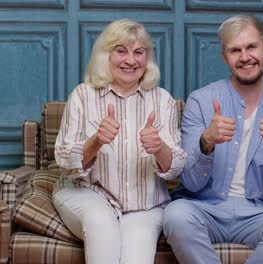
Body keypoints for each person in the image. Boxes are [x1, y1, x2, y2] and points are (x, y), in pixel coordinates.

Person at [163, 14, 263, 264]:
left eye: (251, 46)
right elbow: (190, 182)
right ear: (224, 57)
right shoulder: (201, 101)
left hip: (261, 213)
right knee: (176, 216)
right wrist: (205, 142)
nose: (245, 57)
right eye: (235, 50)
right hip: (204, 208)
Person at [52, 19, 186, 264]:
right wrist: (95, 141)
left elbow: (176, 168)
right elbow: (64, 162)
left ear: (147, 58)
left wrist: (160, 148)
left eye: (139, 52)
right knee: (100, 222)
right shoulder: (83, 95)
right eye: (121, 51)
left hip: (144, 205)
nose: (131, 60)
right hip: (87, 192)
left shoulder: (162, 100)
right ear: (106, 55)